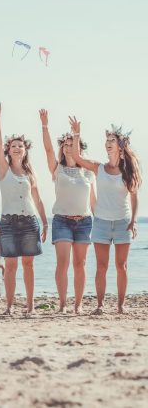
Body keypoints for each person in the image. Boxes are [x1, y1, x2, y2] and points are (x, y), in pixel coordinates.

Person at [69, 117, 141, 314]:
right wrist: (76, 134)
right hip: (100, 223)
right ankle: (100, 305)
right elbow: (77, 156)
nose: (108, 144)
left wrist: (133, 220)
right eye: (107, 141)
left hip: (122, 223)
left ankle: (120, 306)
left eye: (112, 141)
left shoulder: (128, 171)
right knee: (101, 266)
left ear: (120, 146)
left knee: (121, 266)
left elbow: (134, 198)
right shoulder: (98, 167)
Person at [0, 100, 48, 315]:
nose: (16, 148)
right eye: (13, 146)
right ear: (9, 150)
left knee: (29, 266)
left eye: (20, 146)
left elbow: (38, 200)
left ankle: (30, 306)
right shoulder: (4, 169)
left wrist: (45, 222)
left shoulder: (31, 173)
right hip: (9, 223)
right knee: (10, 266)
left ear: (25, 149)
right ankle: (10, 306)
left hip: (30, 222)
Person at [39, 110, 96, 314]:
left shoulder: (88, 171)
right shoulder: (57, 169)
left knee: (80, 264)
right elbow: (47, 150)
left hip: (84, 222)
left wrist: (100, 222)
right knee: (62, 263)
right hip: (62, 221)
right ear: (62, 149)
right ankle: (63, 304)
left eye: (73, 145)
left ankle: (78, 304)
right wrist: (45, 125)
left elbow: (93, 201)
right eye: (66, 144)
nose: (69, 147)